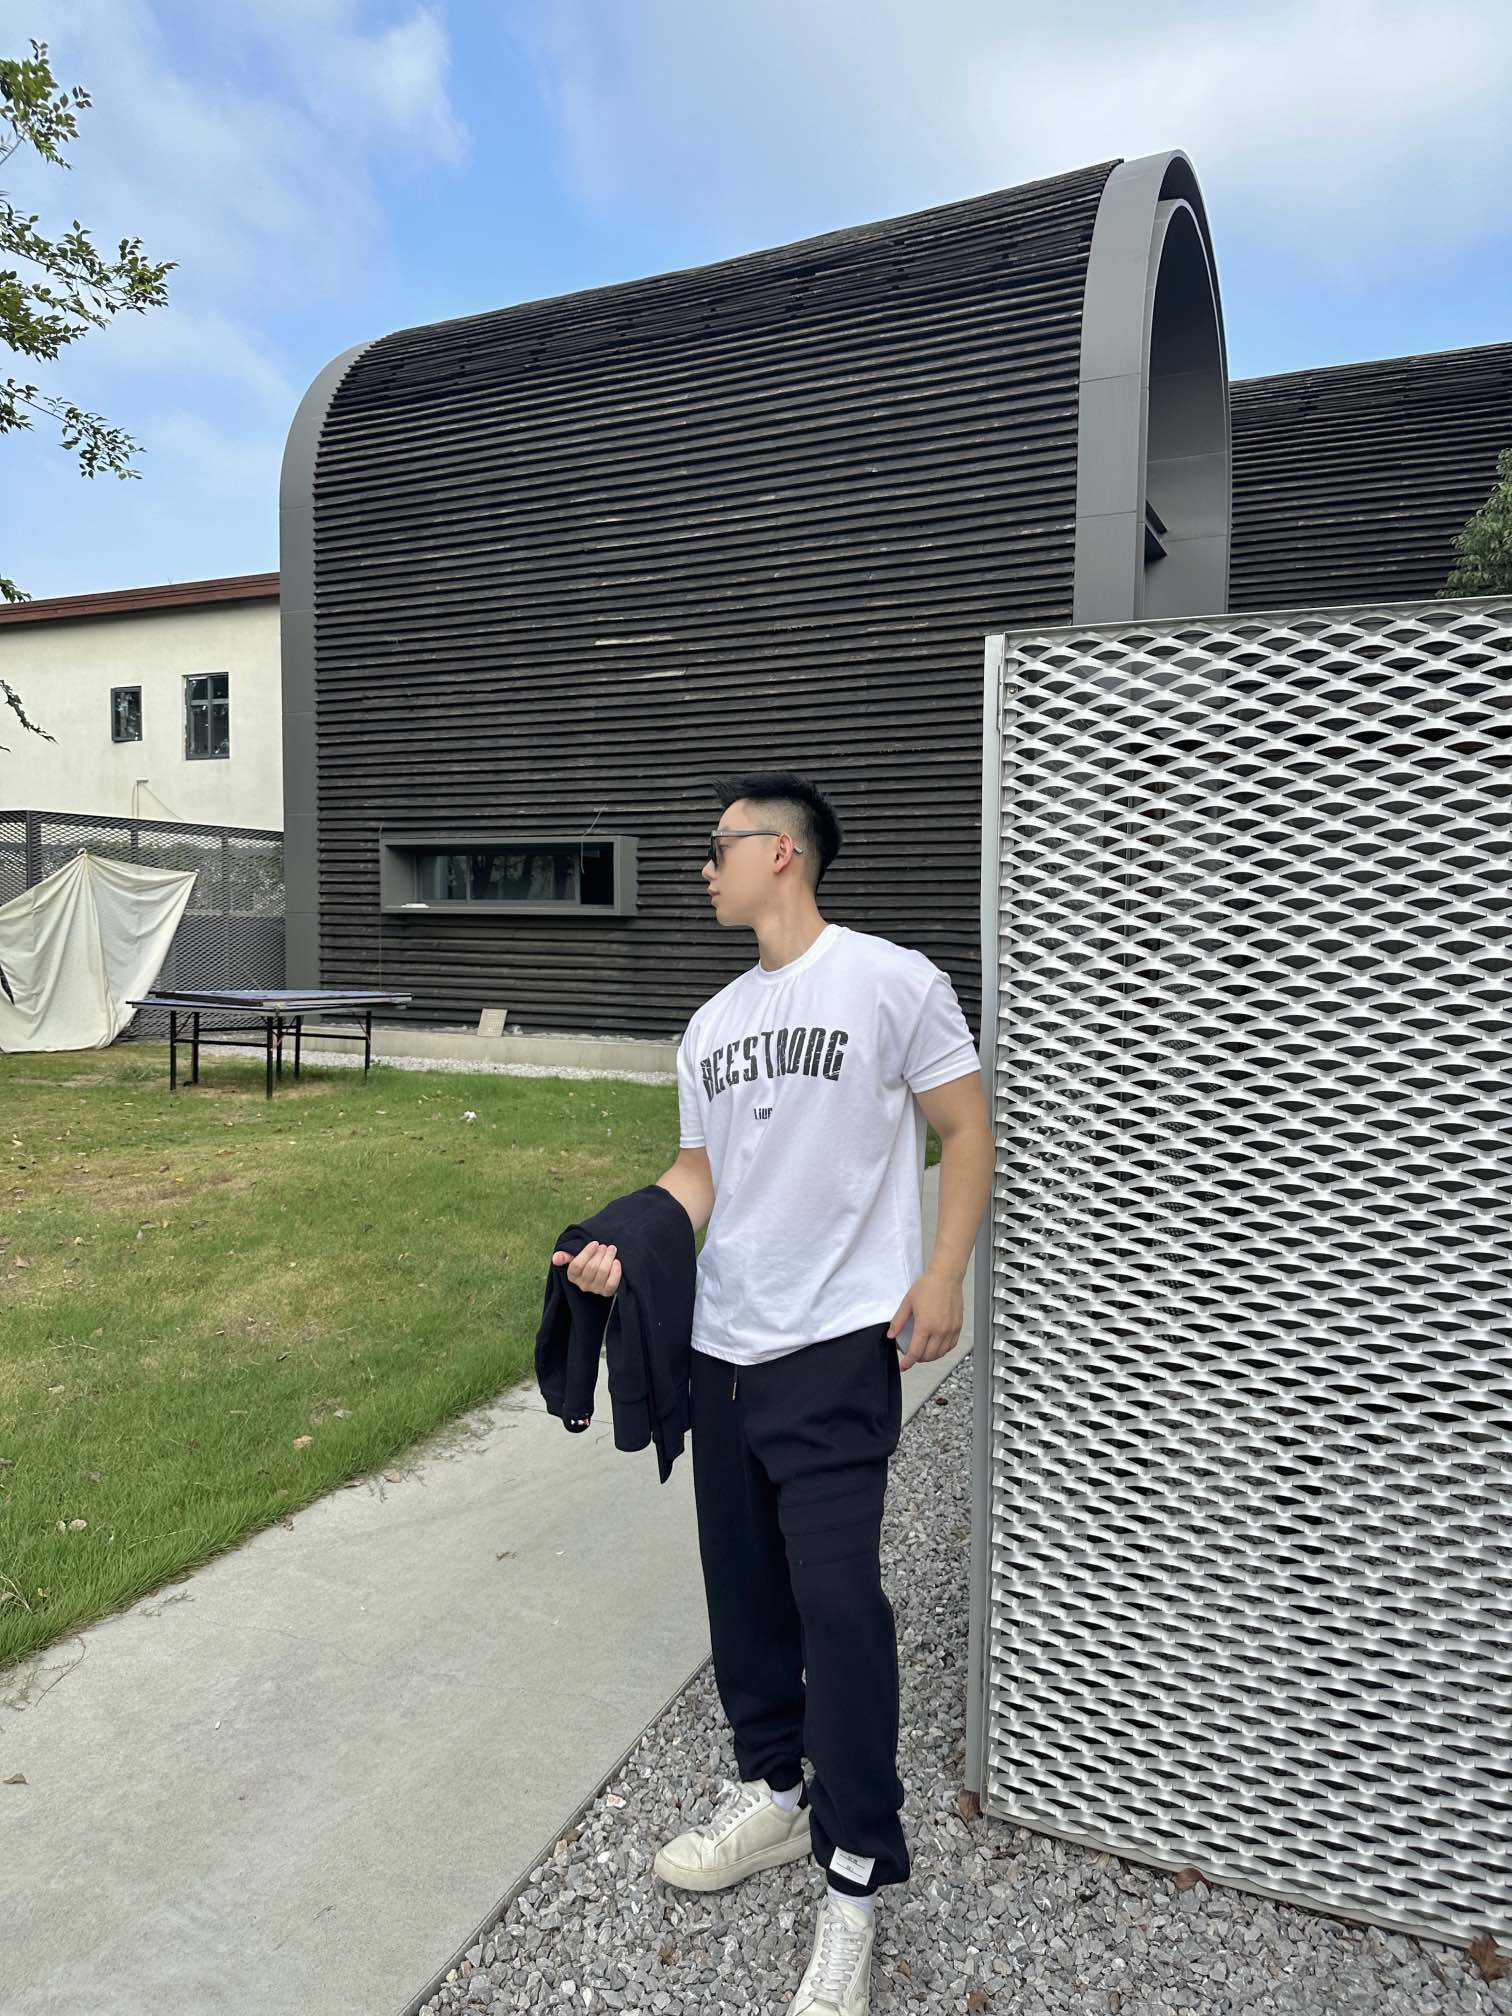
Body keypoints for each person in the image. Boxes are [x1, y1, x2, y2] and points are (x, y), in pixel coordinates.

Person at [550, 771, 993, 2016]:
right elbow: (700, 1177)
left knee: (838, 1604)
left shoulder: (893, 982)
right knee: (743, 1594)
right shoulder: (710, 1024)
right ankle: (779, 1789)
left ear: (782, 853)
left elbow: (966, 1130)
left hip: (838, 1347)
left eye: (718, 847)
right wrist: (626, 1243)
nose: (704, 867)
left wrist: (943, 1272)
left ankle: (853, 1884)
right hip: (725, 1351)